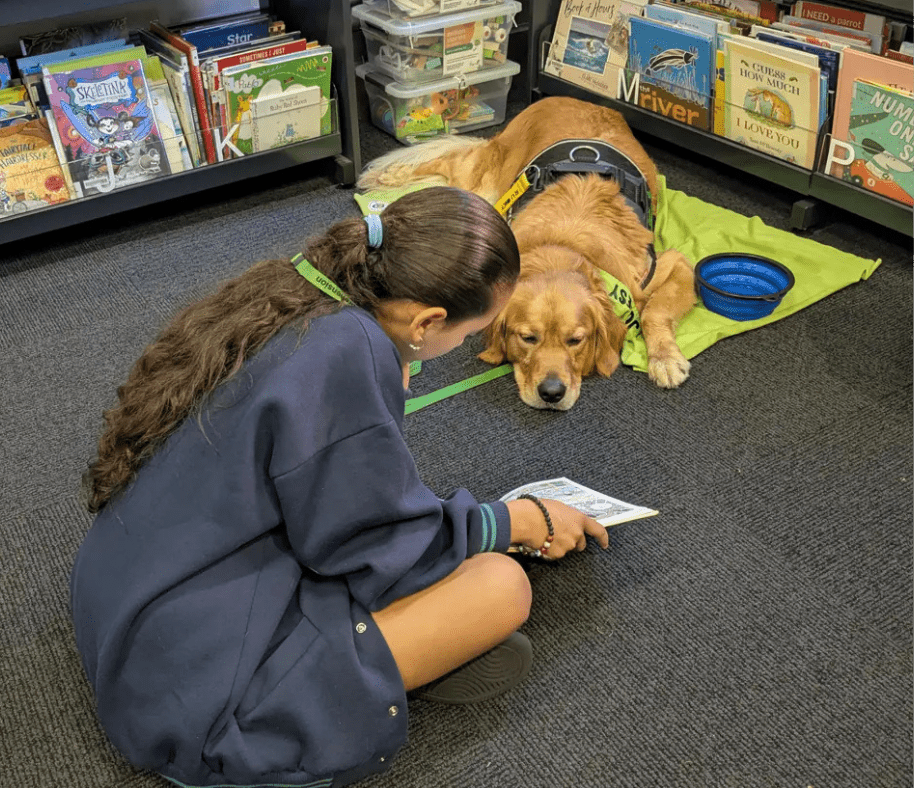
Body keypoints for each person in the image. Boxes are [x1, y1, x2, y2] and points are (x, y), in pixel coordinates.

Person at [71, 186, 609, 788]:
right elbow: (377, 546)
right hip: (190, 698)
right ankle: (356, 684)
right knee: (501, 587)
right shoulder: (346, 356)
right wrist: (519, 521)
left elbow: (326, 489)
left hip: (122, 608)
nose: (460, 347)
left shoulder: (295, 291)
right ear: (429, 321)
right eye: (467, 334)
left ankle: (392, 664)